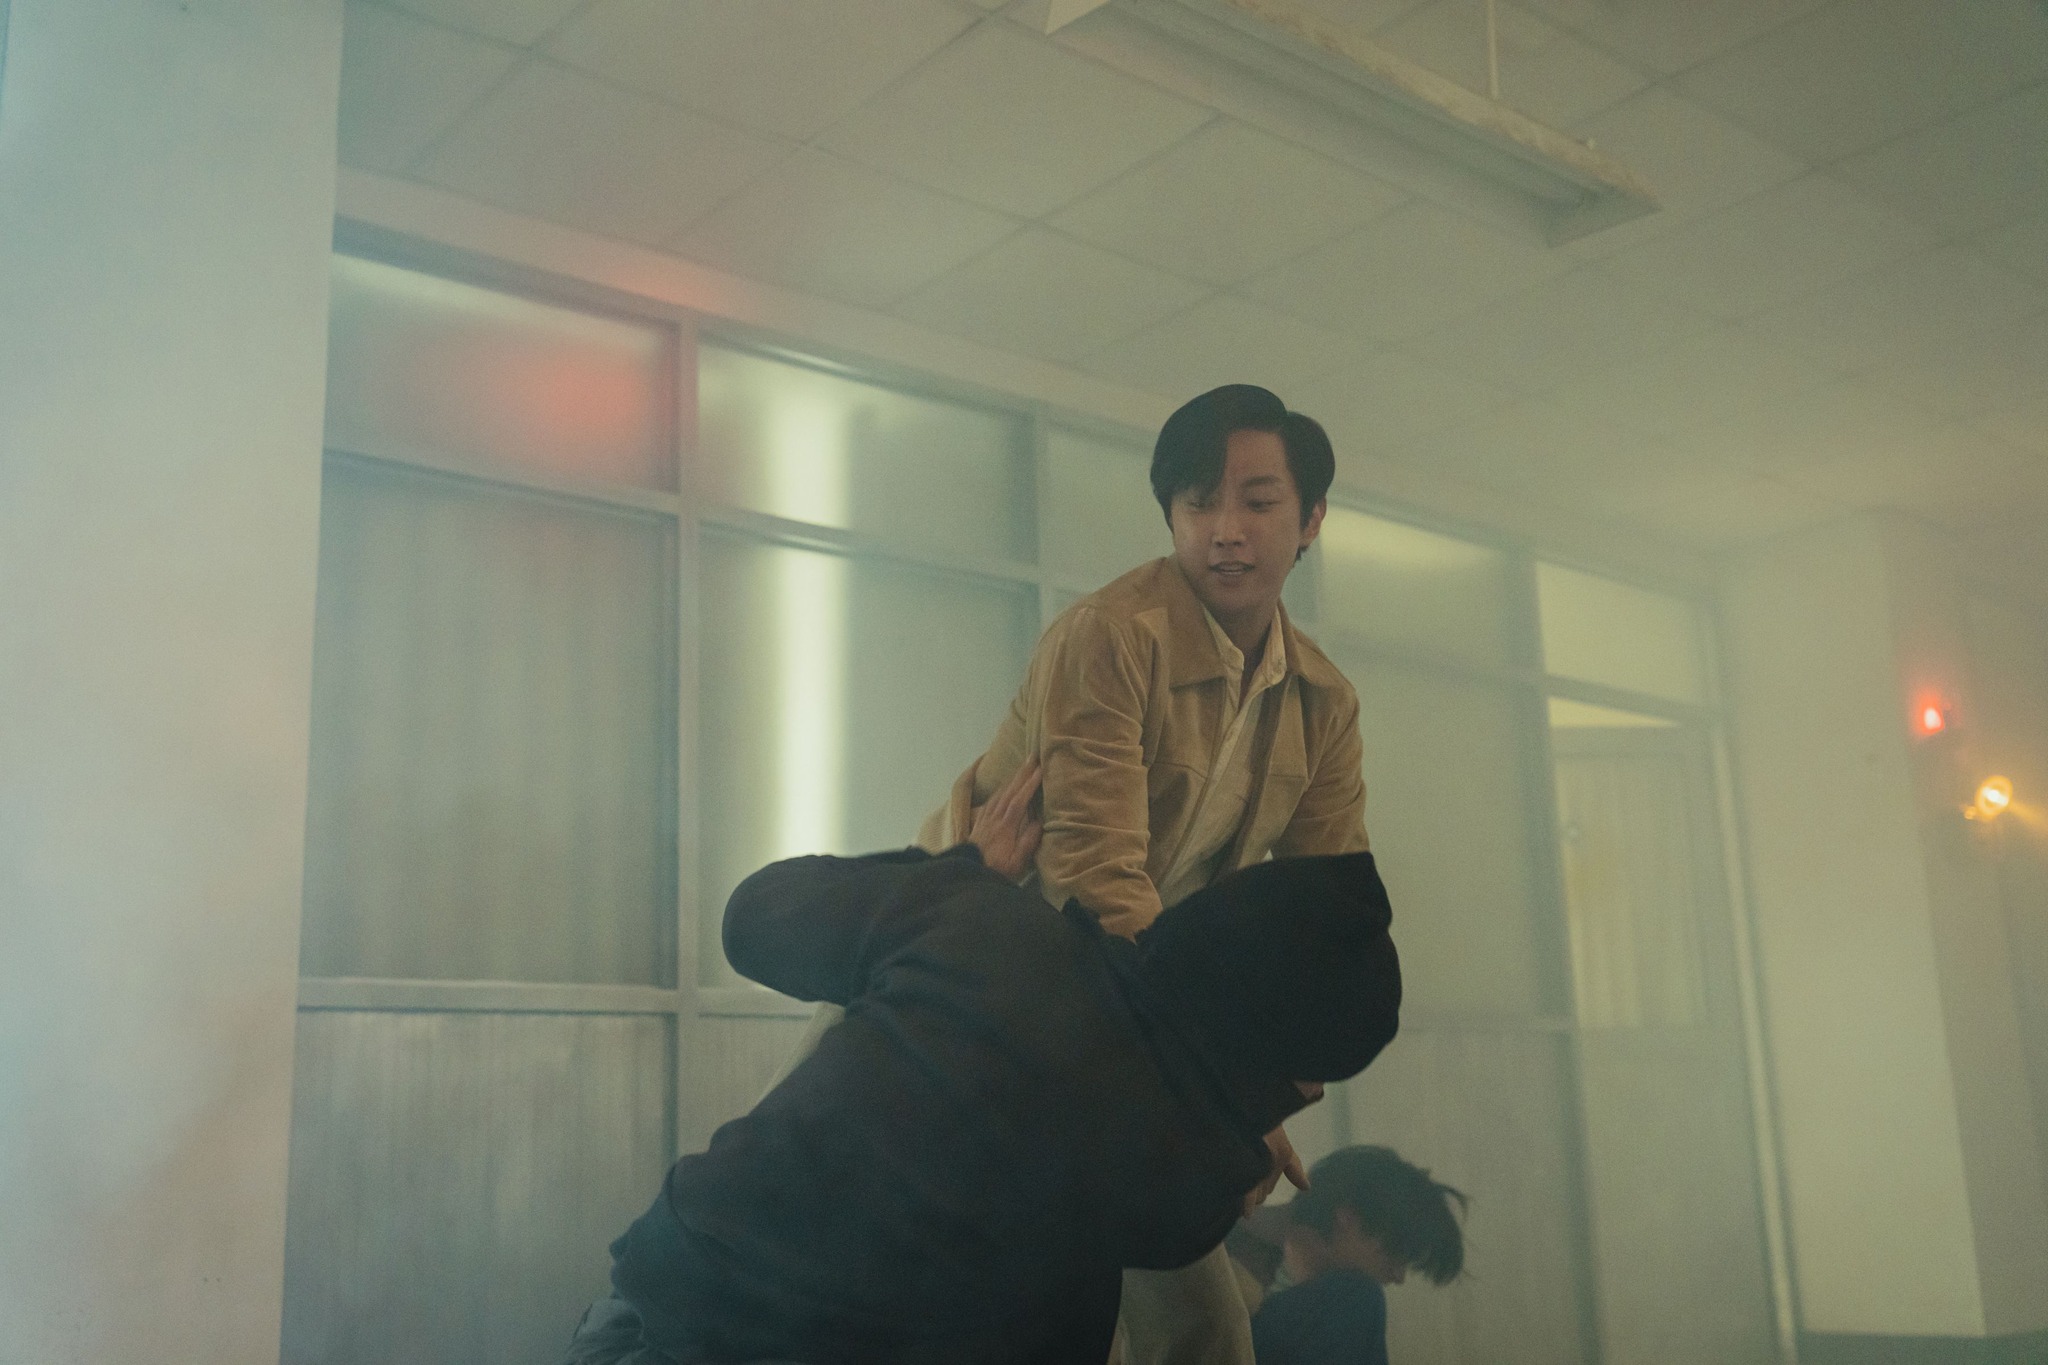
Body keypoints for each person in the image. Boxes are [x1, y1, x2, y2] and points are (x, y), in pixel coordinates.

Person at [561, 761, 1403, 1365]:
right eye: (1310, 1081)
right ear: (1266, 1063)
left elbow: (753, 918)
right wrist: (1248, 1131)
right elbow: (1198, 1152)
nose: (1308, 1095)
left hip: (661, 1313)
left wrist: (959, 870)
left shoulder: (984, 922)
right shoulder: (1184, 1183)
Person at [916, 383, 1369, 1364]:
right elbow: (1093, 881)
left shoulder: (1323, 702)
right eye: (1198, 501)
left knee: (1205, 1330)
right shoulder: (1111, 637)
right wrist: (1217, 1090)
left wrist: (1262, 1087)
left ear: (1310, 521)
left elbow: (1325, 923)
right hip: (968, 973)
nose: (1225, 529)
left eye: (1257, 500)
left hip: (1130, 1015)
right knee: (838, 1245)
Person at [1234, 1146, 1467, 1365]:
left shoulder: (1320, 1300)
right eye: (1395, 1255)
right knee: (1359, 1297)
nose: (1398, 1277)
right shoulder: (1220, 1244)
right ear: (1348, 1217)